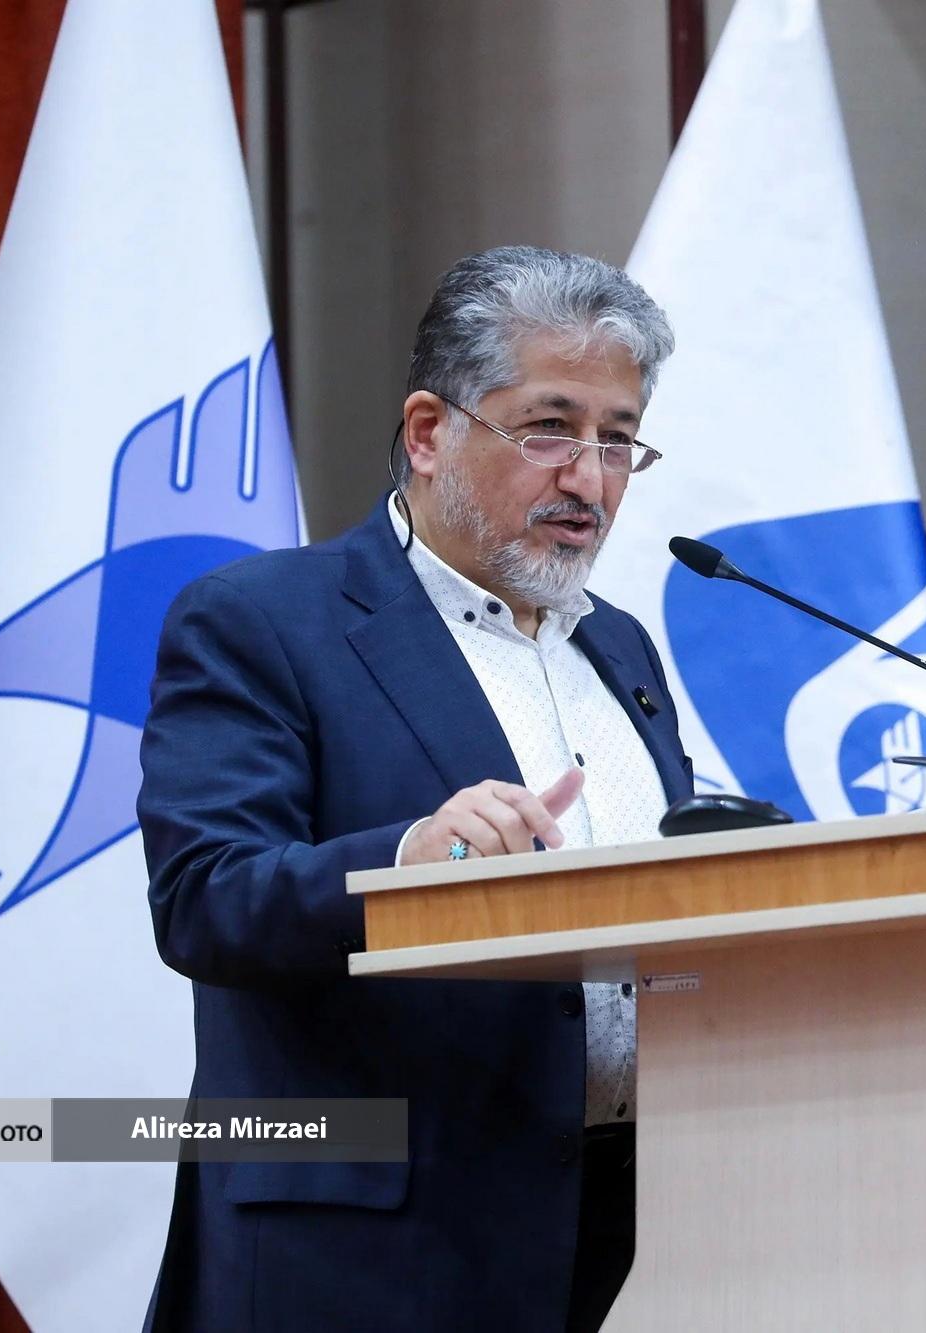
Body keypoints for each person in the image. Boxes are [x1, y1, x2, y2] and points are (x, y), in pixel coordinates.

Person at [138, 246, 693, 1332]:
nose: (588, 479)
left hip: (633, 1237)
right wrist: (405, 861)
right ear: (430, 432)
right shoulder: (264, 621)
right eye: (549, 428)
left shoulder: (620, 647)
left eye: (617, 438)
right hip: (373, 1249)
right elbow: (205, 897)